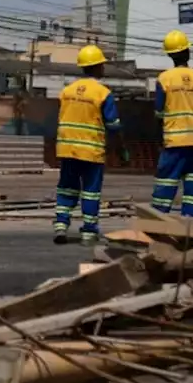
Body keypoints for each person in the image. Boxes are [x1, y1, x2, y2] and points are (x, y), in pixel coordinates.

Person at [54, 45, 128, 246]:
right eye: (102, 65)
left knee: (66, 188)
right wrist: (120, 149)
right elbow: (113, 125)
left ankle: (61, 225)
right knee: (90, 191)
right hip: (91, 150)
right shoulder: (103, 93)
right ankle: (88, 231)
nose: (103, 68)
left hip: (67, 148)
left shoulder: (66, 92)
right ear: (96, 67)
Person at [151, 29, 193, 217]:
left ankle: (157, 223)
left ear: (170, 55)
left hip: (175, 142)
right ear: (188, 52)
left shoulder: (164, 79)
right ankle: (191, 228)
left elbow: (159, 113)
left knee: (166, 184)